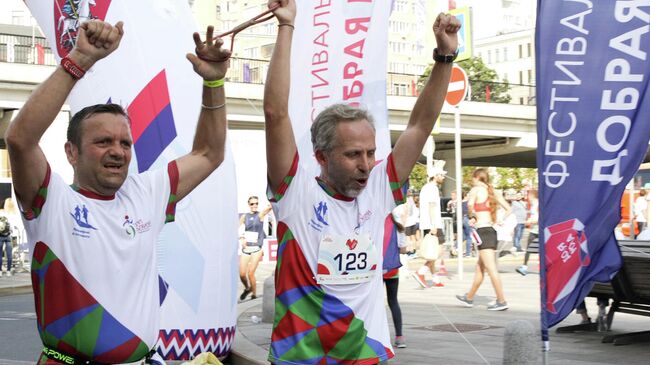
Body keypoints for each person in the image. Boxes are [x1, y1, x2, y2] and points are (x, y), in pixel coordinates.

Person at [4, 20, 230, 363]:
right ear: (71, 152)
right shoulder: (52, 201)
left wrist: (213, 81)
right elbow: (20, 139)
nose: (118, 151)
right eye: (103, 141)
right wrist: (79, 58)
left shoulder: (146, 193)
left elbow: (208, 154)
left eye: (125, 142)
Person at [262, 1, 459, 363]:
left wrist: (445, 58)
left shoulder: (380, 188)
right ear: (321, 156)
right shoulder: (294, 193)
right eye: (353, 154)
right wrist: (286, 26)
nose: (366, 164)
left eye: (370, 153)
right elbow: (276, 114)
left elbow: (419, 126)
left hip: (369, 354)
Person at [456, 168, 511, 311]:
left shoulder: (476, 190)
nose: (472, 181)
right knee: (480, 267)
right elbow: (509, 209)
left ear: (476, 178)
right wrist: (500, 220)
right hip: (491, 231)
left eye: (472, 178)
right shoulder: (493, 191)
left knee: (491, 268)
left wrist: (472, 217)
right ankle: (469, 298)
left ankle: (501, 300)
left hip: (482, 231)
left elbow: (469, 207)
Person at [414, 167, 447, 287]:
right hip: (434, 223)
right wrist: (434, 224)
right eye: (441, 175)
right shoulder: (432, 188)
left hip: (427, 223)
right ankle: (421, 272)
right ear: (435, 175)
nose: (443, 177)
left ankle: (435, 278)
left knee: (432, 250)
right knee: (437, 251)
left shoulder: (425, 188)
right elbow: (432, 206)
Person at [383, 209, 409, 349]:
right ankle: (400, 337)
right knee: (393, 302)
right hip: (392, 270)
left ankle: (378, 335)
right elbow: (403, 249)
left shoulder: (375, 223)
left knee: (375, 303)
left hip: (376, 271)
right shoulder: (397, 226)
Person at [239, 196, 272, 300]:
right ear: (249, 205)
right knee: (242, 274)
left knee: (251, 273)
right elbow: (238, 228)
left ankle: (254, 294)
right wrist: (242, 238)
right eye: (252, 204)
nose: (255, 205)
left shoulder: (260, 215)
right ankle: (247, 288)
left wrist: (270, 201)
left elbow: (270, 207)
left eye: (256, 203)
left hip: (257, 248)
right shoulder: (245, 216)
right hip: (246, 248)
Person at [516, 190, 539, 276]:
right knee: (529, 248)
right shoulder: (532, 205)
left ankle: (546, 266)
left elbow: (540, 217)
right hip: (533, 230)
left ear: (533, 195)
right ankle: (524, 267)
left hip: (538, 229)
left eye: (528, 195)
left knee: (543, 250)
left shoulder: (538, 204)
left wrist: (531, 221)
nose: (527, 197)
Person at [0, 212, 12, 276]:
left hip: (4, 237)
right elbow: (11, 230)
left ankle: (2, 271)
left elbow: (11, 230)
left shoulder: (6, 222)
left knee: (6, 256)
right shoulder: (7, 222)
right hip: (6, 237)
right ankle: (8, 271)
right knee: (9, 255)